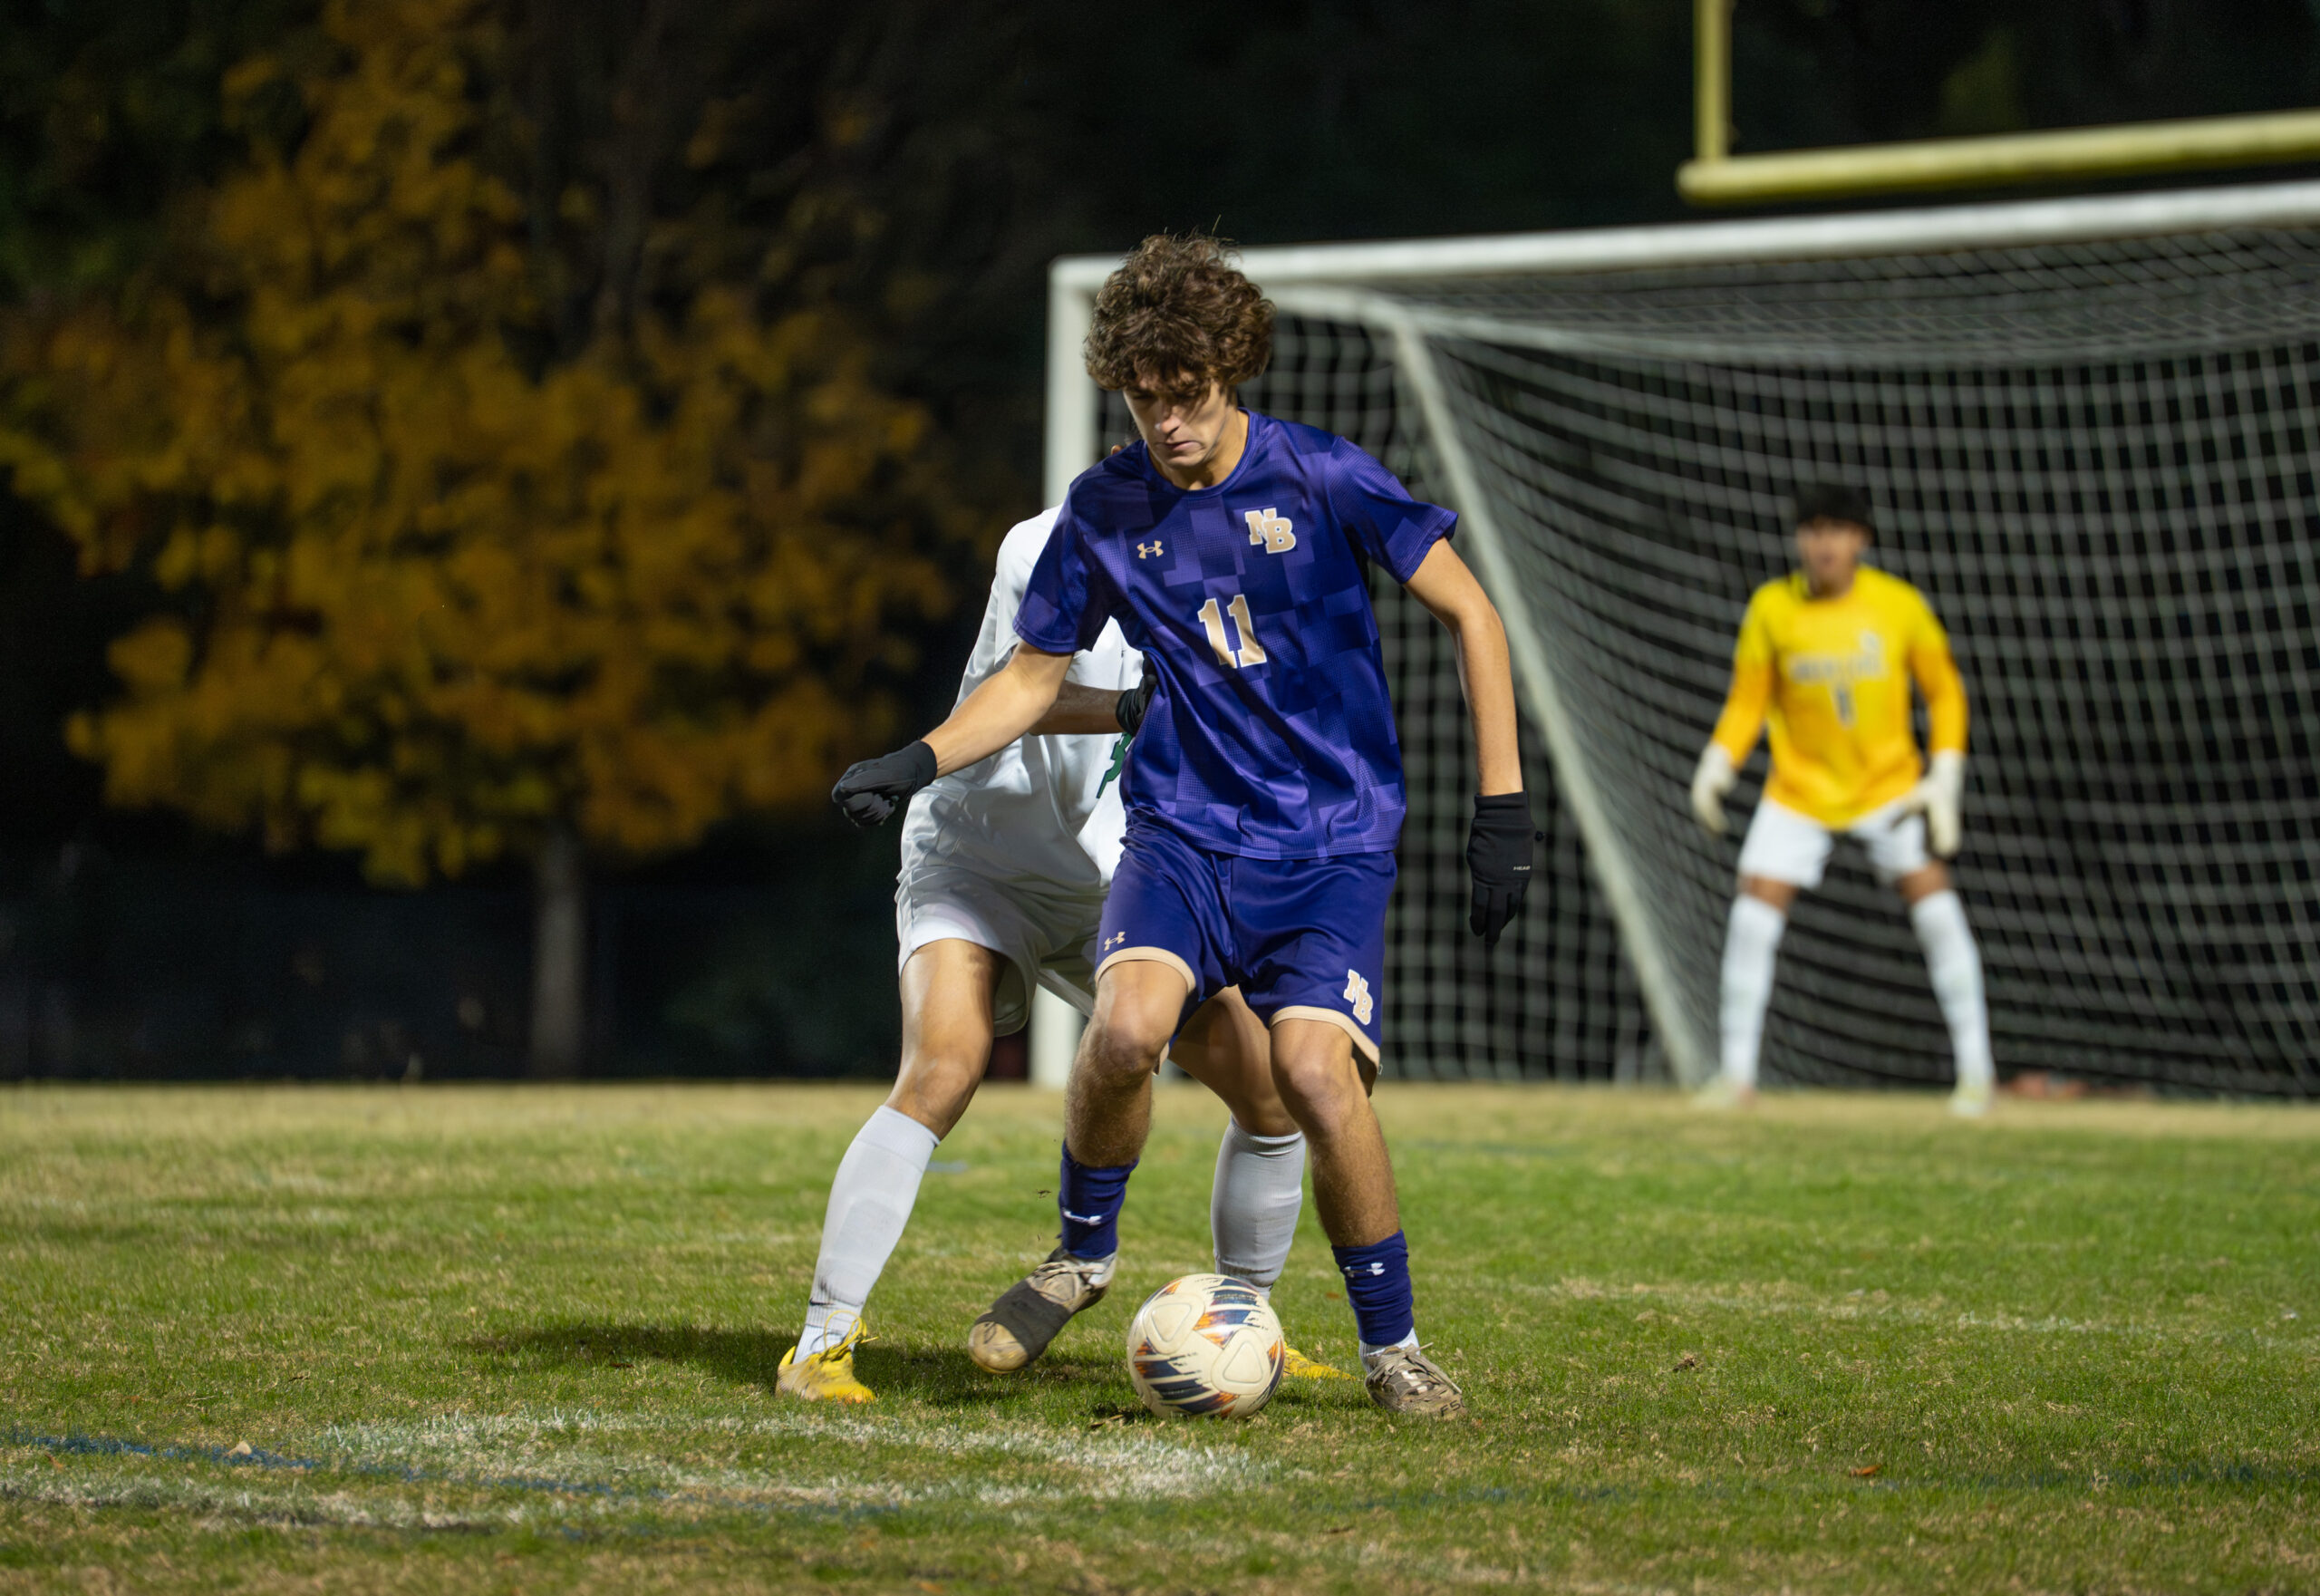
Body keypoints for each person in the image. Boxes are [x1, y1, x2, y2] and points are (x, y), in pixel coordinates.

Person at [832, 234, 1537, 1418]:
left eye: (1188, 395)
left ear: (1235, 367)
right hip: (1184, 834)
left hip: (1329, 841)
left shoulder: (1322, 478)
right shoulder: (1105, 512)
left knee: (1312, 1075)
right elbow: (1026, 680)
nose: (1168, 423)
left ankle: (1393, 1346)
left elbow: (1472, 613)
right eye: (1145, 399)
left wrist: (1503, 809)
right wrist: (916, 758)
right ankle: (1084, 1257)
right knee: (1122, 1032)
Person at [779, 504, 1347, 1403]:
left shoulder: (1245, 566)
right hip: (979, 857)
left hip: (1117, 876)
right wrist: (1120, 710)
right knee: (944, 1066)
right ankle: (819, 1345)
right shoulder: (1049, 539)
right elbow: (1022, 686)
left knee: (1267, 1085)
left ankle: (1240, 1327)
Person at [1688, 483, 1995, 1116]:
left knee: (1936, 907)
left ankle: (1977, 1075)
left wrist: (1946, 777)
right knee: (1753, 913)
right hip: (1799, 789)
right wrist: (1719, 762)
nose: (1824, 543)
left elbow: (1945, 693)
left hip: (1888, 786)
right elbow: (1748, 701)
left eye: (1837, 530)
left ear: (1861, 539)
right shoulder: (1773, 606)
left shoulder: (1898, 605)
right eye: (1813, 529)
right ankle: (1736, 1077)